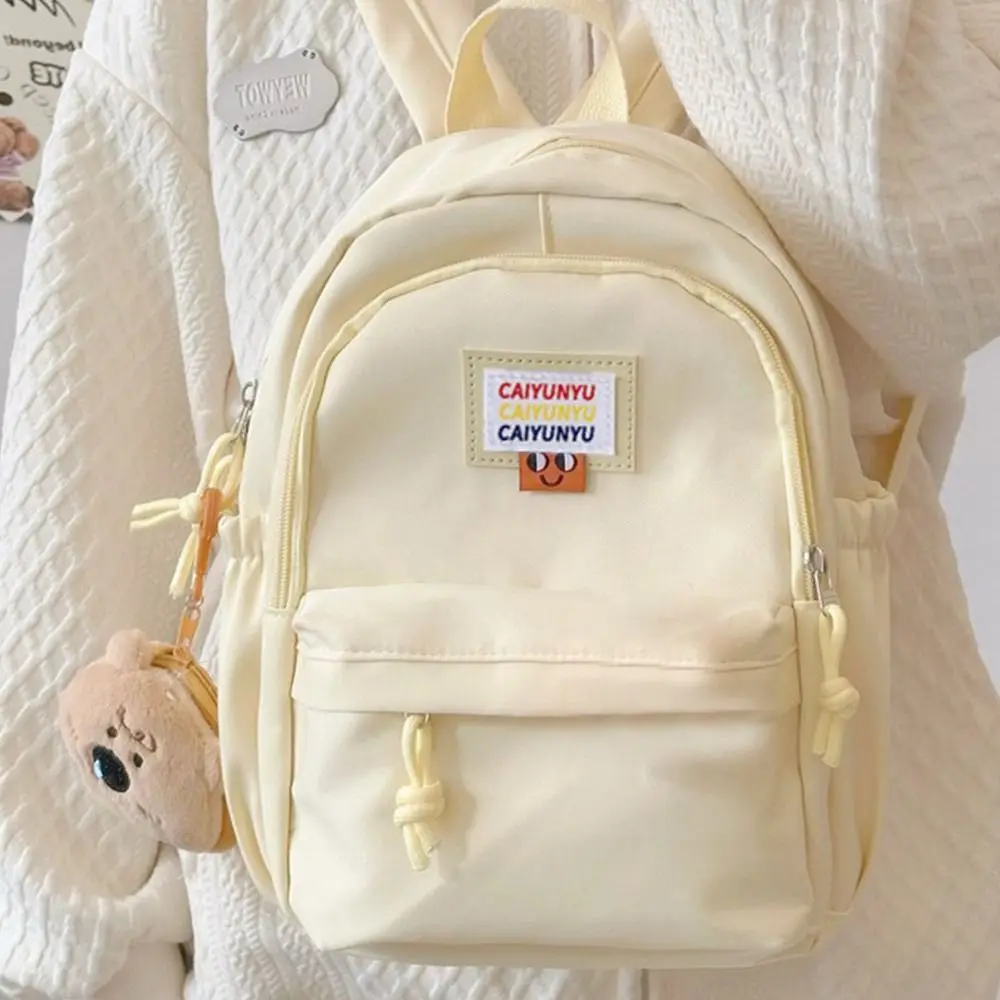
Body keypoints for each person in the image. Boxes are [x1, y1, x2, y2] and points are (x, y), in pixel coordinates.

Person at [0, 1, 997, 998]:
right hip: (320, 969)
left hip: (855, 948)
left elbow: (951, 246)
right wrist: (73, 960)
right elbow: (80, 487)